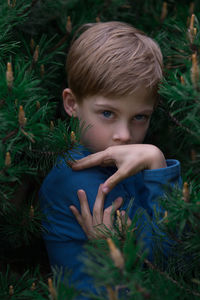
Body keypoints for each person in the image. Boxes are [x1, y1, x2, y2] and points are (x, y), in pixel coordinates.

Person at [39, 21, 182, 299]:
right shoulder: (76, 178)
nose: (124, 135)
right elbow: (170, 264)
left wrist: (153, 165)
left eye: (139, 117)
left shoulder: (131, 165)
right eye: (107, 113)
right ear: (72, 104)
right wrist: (156, 161)